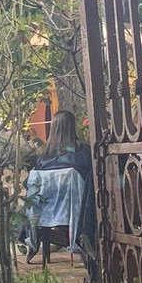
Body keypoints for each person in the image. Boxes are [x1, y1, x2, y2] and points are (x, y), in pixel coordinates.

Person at [25, 110, 95, 265]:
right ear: (72, 127)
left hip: (46, 210)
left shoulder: (43, 154)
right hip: (77, 211)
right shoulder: (83, 151)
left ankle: (33, 241)